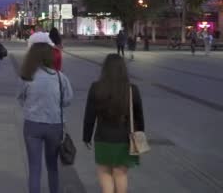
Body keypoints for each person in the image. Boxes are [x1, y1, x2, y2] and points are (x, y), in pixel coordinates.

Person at [83, 54, 144, 193]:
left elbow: (89, 116)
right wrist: (140, 137)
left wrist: (86, 137)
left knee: (105, 174)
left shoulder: (96, 87)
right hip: (124, 140)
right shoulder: (131, 89)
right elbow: (139, 117)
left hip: (102, 138)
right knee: (120, 174)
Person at [18, 42, 73, 193]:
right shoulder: (60, 77)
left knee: (34, 168)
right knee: (52, 166)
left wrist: (32, 107)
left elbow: (21, 98)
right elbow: (68, 100)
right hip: (54, 125)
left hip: (32, 125)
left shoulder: (27, 77)